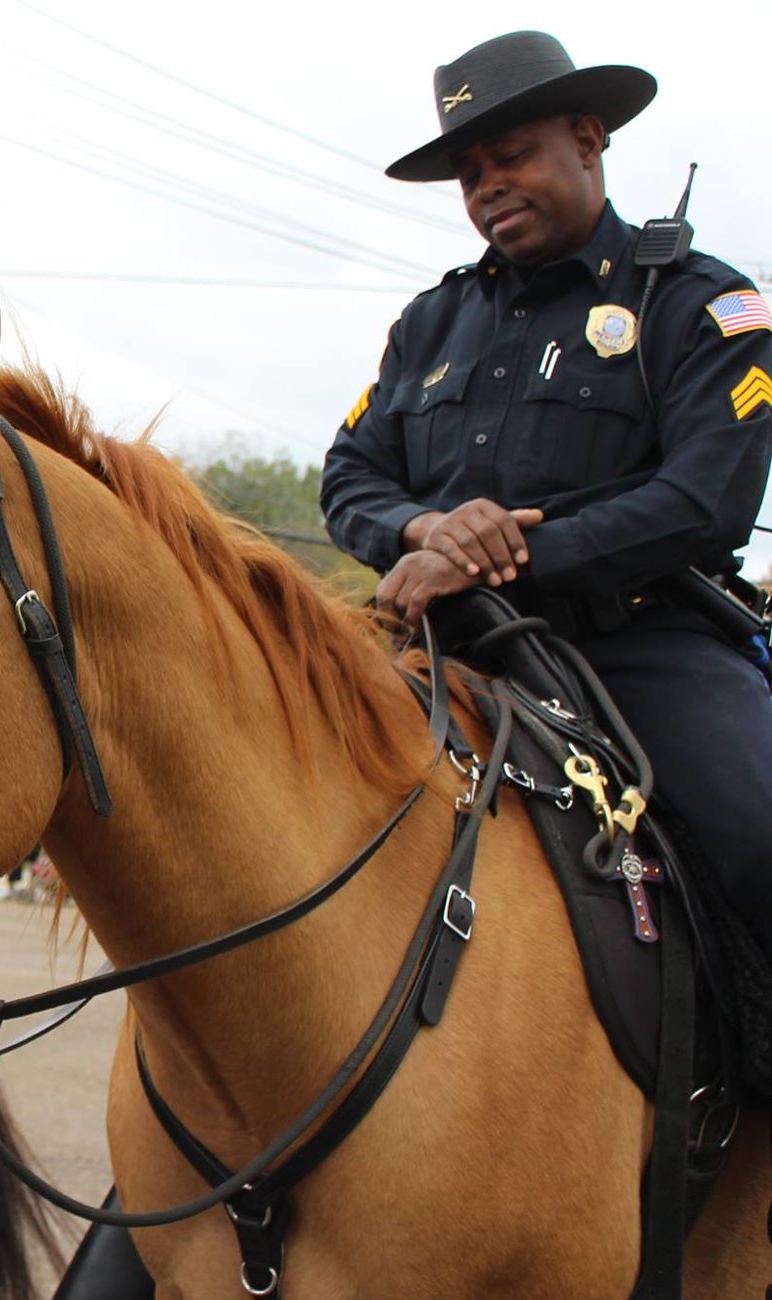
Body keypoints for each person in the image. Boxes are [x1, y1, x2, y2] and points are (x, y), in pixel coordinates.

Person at [320, 31, 772, 959]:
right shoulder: (430, 322)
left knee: (762, 832)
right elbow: (349, 475)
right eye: (471, 170)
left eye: (512, 155)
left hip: (639, 651)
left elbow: (704, 501)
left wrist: (494, 555)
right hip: (437, 653)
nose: (488, 185)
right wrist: (429, 527)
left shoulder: (702, 304)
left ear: (588, 137)